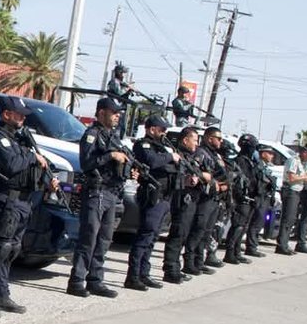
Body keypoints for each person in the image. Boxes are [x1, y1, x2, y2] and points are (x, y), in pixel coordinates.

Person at [0, 96, 52, 317]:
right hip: (7, 200)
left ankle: (2, 294)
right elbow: (12, 164)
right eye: (19, 114)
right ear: (6, 114)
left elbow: (35, 165)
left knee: (11, 250)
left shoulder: (21, 139)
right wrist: (32, 157)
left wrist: (48, 178)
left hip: (24, 201)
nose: (22, 119)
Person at [66, 97, 132, 298]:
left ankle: (95, 280)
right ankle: (76, 281)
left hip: (112, 192)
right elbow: (86, 163)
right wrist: (110, 156)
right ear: (102, 112)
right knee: (89, 237)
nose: (117, 116)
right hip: (96, 191)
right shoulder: (91, 135)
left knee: (104, 239)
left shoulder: (113, 136)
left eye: (119, 114)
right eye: (114, 113)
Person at [125, 115, 179, 290]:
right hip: (152, 196)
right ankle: (133, 276)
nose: (164, 133)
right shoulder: (143, 145)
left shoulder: (162, 147)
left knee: (153, 237)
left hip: (165, 197)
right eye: (162, 129)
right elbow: (152, 161)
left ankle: (144, 273)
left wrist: (169, 159)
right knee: (145, 235)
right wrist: (169, 157)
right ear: (152, 129)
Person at [162, 126, 209, 283]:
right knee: (177, 234)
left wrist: (198, 178)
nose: (197, 144)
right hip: (181, 198)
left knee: (183, 235)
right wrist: (186, 180)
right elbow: (172, 176)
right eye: (194, 140)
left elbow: (203, 174)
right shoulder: (177, 155)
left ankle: (176, 267)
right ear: (185, 140)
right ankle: (170, 269)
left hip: (191, 199)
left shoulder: (191, 157)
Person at [185, 127, 228, 275]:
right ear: (210, 138)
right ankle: (189, 262)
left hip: (215, 197)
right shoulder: (201, 152)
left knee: (206, 231)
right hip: (204, 197)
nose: (221, 141)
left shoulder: (216, 154)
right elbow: (198, 172)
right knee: (198, 229)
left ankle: (199, 262)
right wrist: (214, 182)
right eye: (218, 138)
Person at [223, 134, 260, 264]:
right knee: (238, 225)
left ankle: (237, 252)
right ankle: (229, 253)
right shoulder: (240, 161)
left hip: (250, 198)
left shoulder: (250, 161)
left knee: (243, 226)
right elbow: (240, 182)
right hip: (242, 199)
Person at [275, 146, 307, 255]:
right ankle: (281, 245)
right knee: (288, 218)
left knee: (291, 219)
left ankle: (284, 244)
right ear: (304, 152)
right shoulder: (293, 160)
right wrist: (306, 176)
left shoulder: (300, 162)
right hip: (290, 191)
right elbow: (292, 178)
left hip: (296, 191)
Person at [245, 144, 277, 256]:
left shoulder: (265, 166)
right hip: (259, 197)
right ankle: (251, 247)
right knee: (256, 222)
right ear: (263, 154)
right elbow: (259, 182)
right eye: (270, 153)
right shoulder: (258, 166)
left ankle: (253, 245)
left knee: (260, 222)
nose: (272, 156)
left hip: (265, 197)